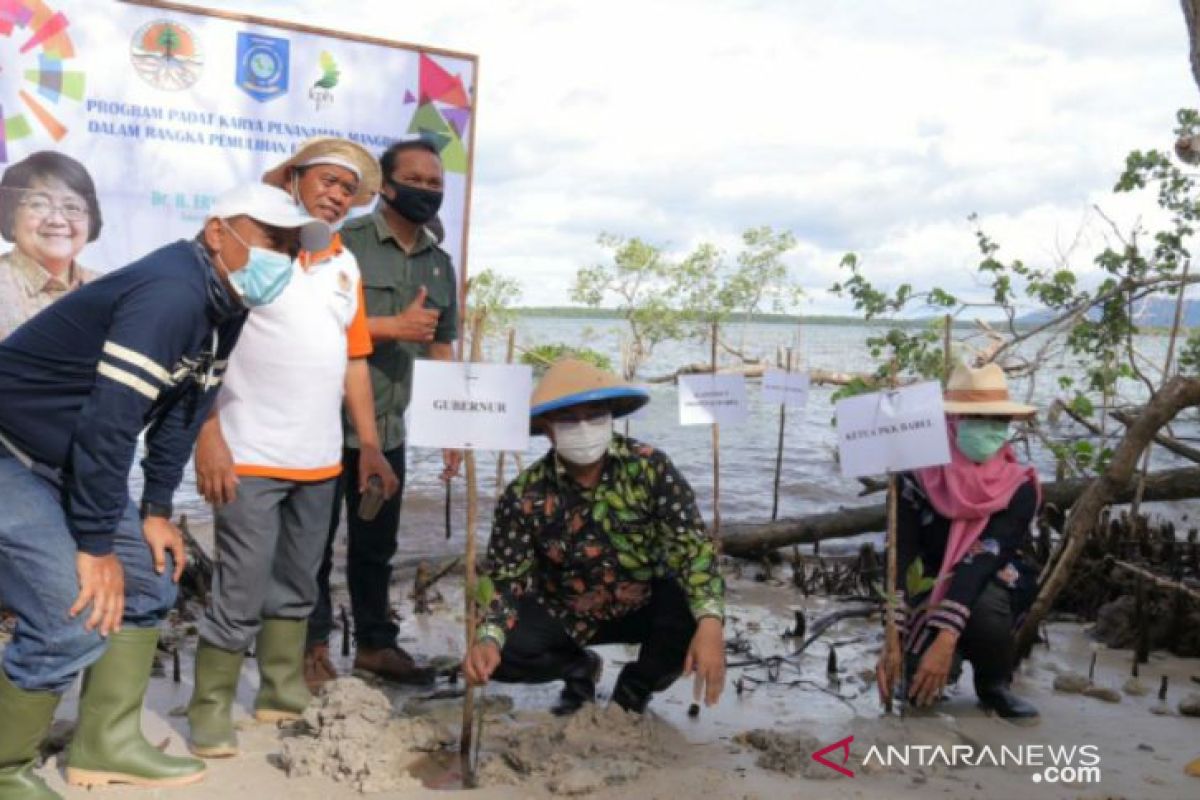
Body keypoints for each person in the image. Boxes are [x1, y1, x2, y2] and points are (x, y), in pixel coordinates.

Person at [0, 183, 330, 796]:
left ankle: (106, 742)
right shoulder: (173, 291)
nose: (281, 258)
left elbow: (185, 409)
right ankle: (5, 767)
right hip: (8, 451)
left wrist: (155, 511)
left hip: (59, 461)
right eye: (271, 240)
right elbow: (110, 421)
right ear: (216, 232)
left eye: (291, 248)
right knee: (68, 610)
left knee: (151, 577)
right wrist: (96, 546)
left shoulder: (225, 304)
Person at [186, 138, 399, 758]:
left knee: (299, 583)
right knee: (240, 587)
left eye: (348, 190)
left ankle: (280, 692)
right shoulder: (253, 251)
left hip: (321, 459)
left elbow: (355, 362)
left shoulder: (346, 266)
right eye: (328, 182)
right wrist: (209, 439)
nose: (337, 196)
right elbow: (201, 352)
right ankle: (208, 708)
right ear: (294, 180)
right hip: (246, 453)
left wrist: (371, 446)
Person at [462, 359, 727, 715]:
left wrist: (711, 624)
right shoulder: (524, 495)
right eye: (569, 418)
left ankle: (635, 689)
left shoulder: (651, 469)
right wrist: (488, 638)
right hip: (565, 610)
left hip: (643, 603)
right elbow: (506, 580)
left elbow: (694, 550)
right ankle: (577, 668)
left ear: (611, 416)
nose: (584, 427)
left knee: (694, 618)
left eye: (595, 414)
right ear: (547, 427)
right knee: (501, 650)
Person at [304, 137, 461, 688]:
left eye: (436, 184)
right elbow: (309, 324)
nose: (426, 191)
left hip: (387, 432)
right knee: (311, 547)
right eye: (414, 180)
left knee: (376, 547)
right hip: (323, 426)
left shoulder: (439, 265)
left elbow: (442, 348)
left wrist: (452, 430)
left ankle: (375, 645)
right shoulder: (342, 243)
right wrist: (389, 327)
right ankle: (312, 649)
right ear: (386, 185)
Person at [876, 362, 1041, 721]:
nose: (990, 429)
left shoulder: (1019, 485)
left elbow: (983, 560)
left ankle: (993, 682)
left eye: (998, 421)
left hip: (990, 578)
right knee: (917, 692)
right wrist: (892, 632)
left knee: (985, 608)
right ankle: (930, 661)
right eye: (977, 417)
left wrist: (947, 637)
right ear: (952, 422)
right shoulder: (915, 475)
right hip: (928, 577)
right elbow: (901, 551)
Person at [0, 151, 103, 339]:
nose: (56, 220)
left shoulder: (109, 290)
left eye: (72, 207)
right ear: (10, 215)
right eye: (39, 205)